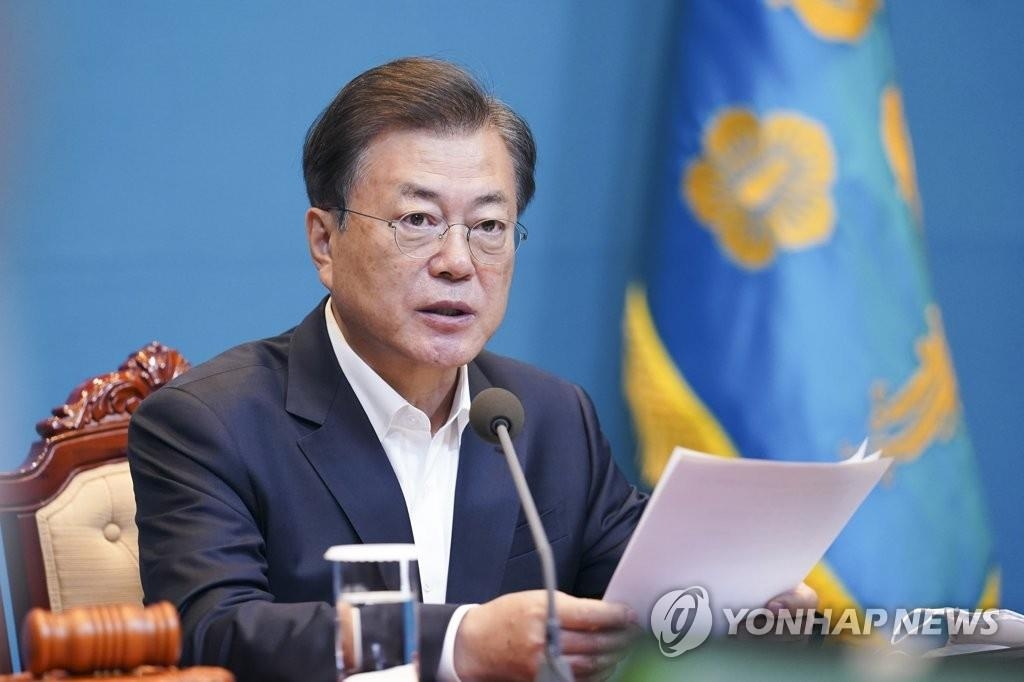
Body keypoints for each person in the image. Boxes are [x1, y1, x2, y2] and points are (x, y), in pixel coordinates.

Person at [128, 57, 814, 682]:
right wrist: (458, 642)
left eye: (488, 226)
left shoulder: (548, 419)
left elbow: (640, 600)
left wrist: (734, 607)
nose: (458, 261)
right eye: (418, 220)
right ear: (325, 241)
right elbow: (211, 634)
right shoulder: (212, 423)